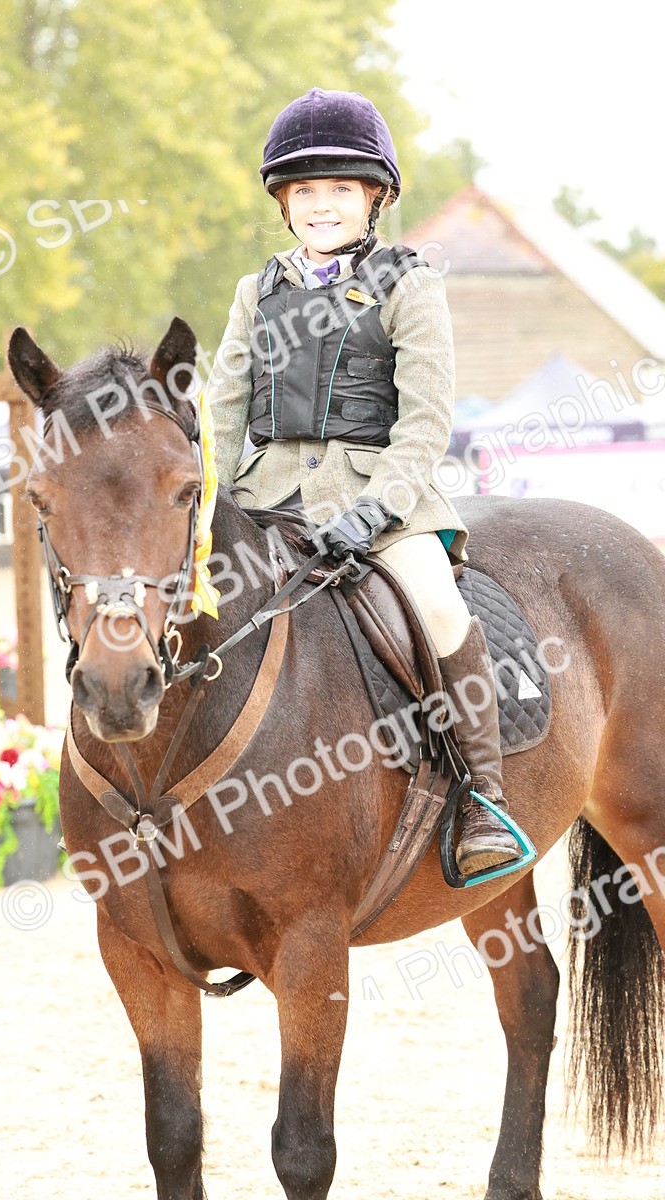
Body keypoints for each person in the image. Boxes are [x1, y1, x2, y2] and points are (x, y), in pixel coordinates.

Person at [205, 86, 521, 877]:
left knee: (440, 608)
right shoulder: (256, 293)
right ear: (284, 204)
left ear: (374, 195)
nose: (321, 205)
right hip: (266, 496)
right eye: (304, 191)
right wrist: (213, 500)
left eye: (340, 189)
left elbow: (425, 421)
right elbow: (222, 408)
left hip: (382, 500)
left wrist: (376, 507)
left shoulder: (409, 286)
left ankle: (483, 796)